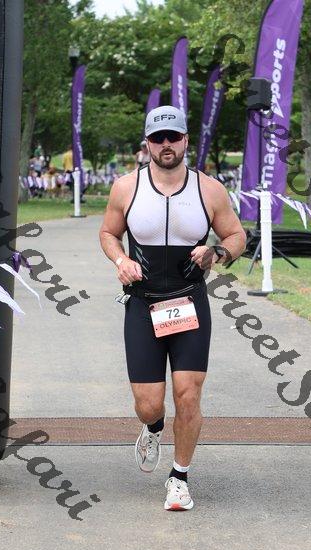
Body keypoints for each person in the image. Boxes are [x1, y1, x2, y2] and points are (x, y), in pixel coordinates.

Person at [99, 105, 246, 511]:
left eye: (173, 137)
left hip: (188, 302)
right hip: (142, 304)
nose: (166, 145)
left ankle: (179, 478)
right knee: (148, 404)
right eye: (158, 138)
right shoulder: (126, 187)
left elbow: (236, 235)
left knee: (188, 394)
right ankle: (154, 426)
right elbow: (109, 232)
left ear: (186, 141)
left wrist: (217, 252)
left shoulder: (210, 190)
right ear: (147, 143)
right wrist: (120, 260)